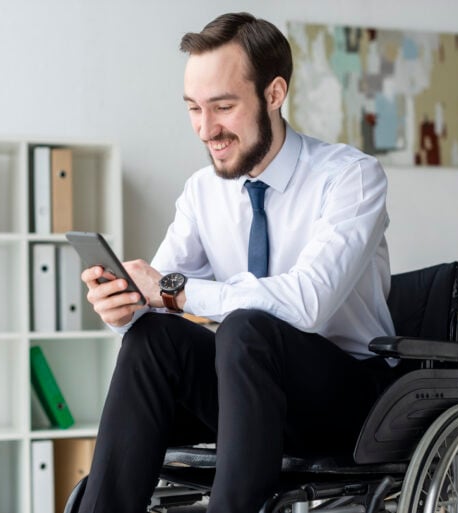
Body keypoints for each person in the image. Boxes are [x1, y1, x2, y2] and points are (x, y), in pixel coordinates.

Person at [78, 12, 399, 513]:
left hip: (350, 403)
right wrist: (126, 307)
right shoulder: (203, 192)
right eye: (193, 109)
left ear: (273, 94)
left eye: (223, 107)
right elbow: (158, 297)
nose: (207, 130)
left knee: (246, 328)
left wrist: (174, 290)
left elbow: (308, 303)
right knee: (151, 337)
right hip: (248, 398)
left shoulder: (350, 178)